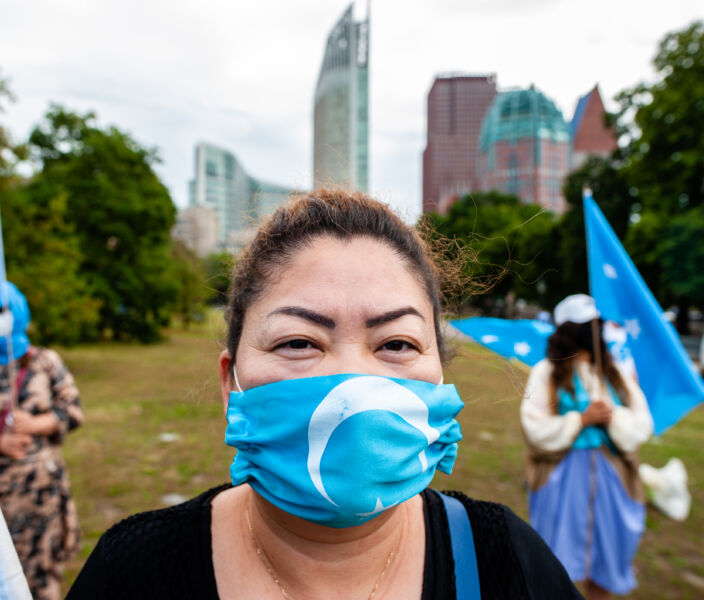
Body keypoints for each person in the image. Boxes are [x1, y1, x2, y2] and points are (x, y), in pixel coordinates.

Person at [68, 190, 581, 599]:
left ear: (441, 375)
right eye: (298, 342)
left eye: (397, 343)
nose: (353, 384)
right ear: (232, 384)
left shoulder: (507, 560)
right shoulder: (133, 570)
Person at [521, 294, 654, 600]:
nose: (594, 330)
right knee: (554, 568)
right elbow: (535, 426)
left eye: (595, 324)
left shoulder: (614, 373)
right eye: (587, 325)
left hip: (613, 482)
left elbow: (641, 423)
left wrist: (611, 418)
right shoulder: (547, 372)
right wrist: (580, 420)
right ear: (570, 329)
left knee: (606, 565)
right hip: (562, 480)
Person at [0, 282, 84, 600]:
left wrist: (36, 423)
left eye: (4, 311)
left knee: (40, 577)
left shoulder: (45, 362)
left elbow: (73, 411)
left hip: (38, 496)